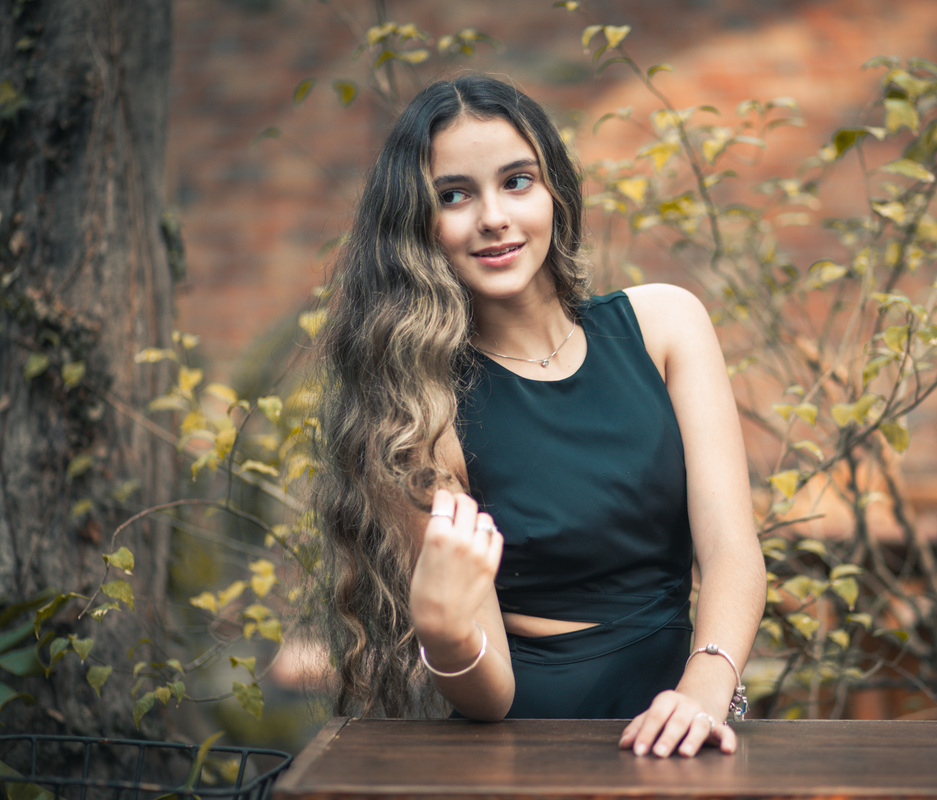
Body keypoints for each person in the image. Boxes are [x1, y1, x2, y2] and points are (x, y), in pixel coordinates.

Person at [314, 73, 765, 758]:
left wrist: (706, 687)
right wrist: (445, 631)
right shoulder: (418, 415)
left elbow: (733, 552)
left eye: (516, 181)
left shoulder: (667, 326)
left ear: (555, 189)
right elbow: (489, 694)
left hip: (691, 727)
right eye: (454, 195)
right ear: (416, 228)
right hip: (534, 748)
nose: (493, 216)